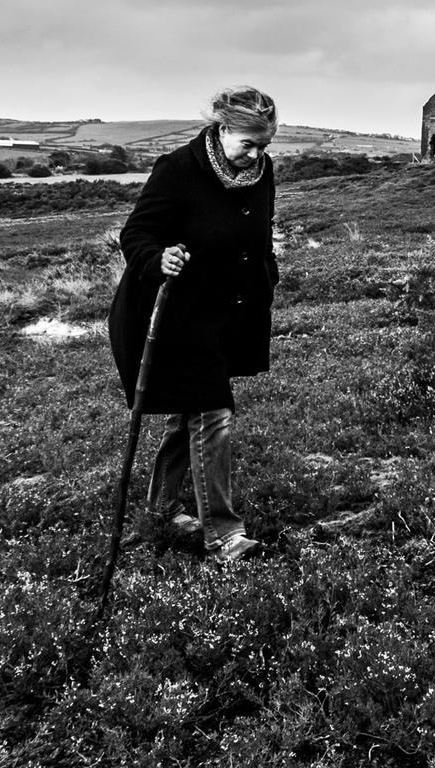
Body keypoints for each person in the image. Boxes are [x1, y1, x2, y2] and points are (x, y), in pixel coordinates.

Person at [108, 85, 280, 563]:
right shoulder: (178, 170)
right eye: (247, 143)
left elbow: (258, 235)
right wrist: (157, 257)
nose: (255, 155)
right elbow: (137, 232)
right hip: (170, 317)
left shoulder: (262, 172)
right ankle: (223, 535)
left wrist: (267, 275)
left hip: (226, 315)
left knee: (191, 411)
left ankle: (160, 509)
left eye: (263, 145)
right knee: (213, 414)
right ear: (224, 129)